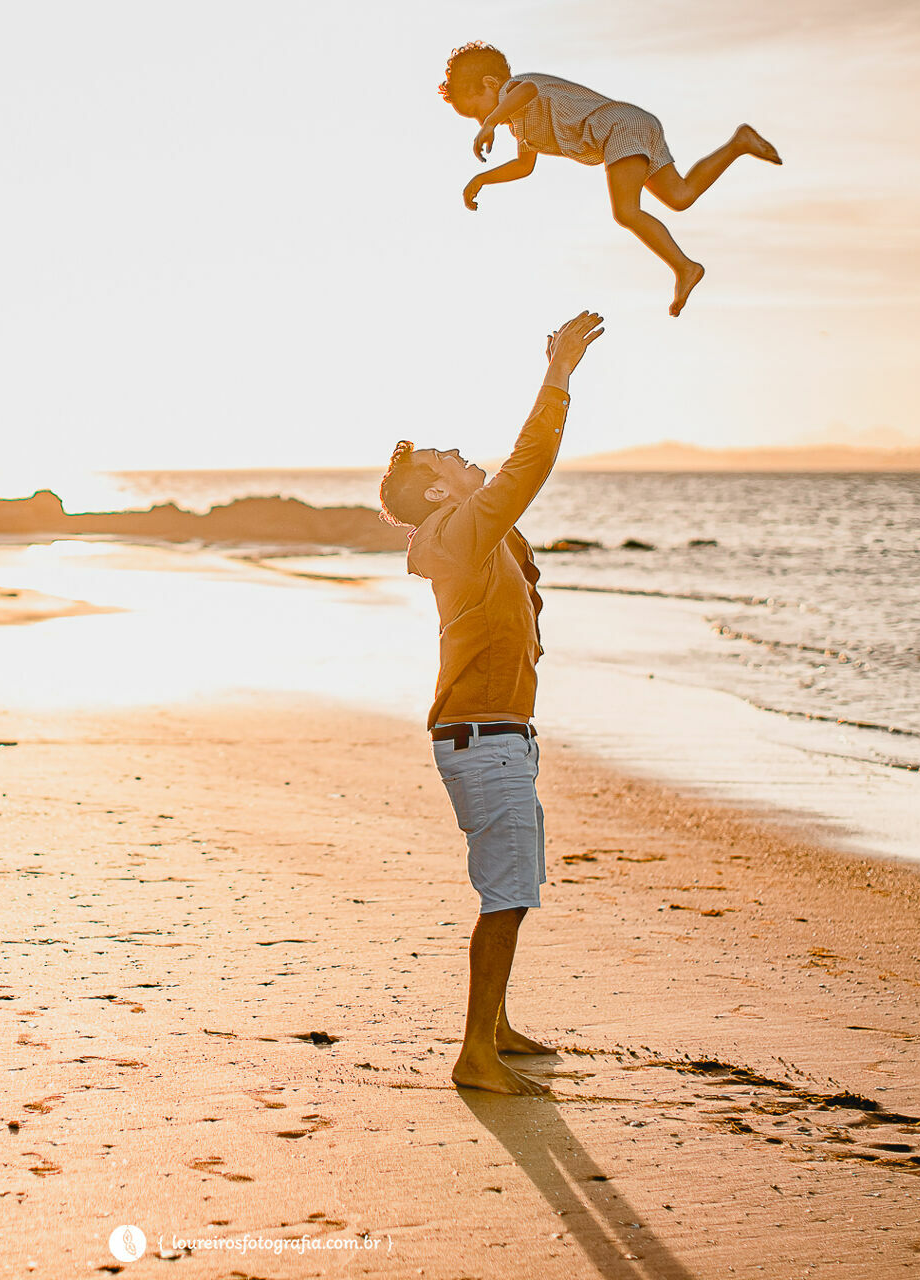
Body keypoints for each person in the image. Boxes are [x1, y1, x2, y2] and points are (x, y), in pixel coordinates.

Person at [378, 310, 605, 1095]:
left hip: (503, 733)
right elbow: (528, 465)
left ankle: (496, 1028)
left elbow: (515, 525)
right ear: (440, 488)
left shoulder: (476, 533)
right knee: (505, 894)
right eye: (454, 458)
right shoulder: (459, 528)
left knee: (514, 888)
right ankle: (475, 1055)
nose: (470, 460)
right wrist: (559, 375)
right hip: (483, 736)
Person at [439, 42, 780, 317]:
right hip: (634, 125)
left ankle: (685, 267)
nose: (478, 120)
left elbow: (526, 90)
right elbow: (523, 167)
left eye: (475, 110)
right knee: (680, 196)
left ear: (489, 85)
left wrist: (490, 122)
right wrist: (482, 179)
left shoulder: (515, 91)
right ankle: (740, 143)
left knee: (626, 212)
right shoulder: (520, 126)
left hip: (618, 128)